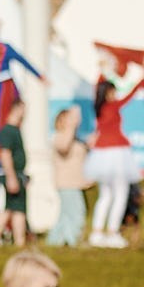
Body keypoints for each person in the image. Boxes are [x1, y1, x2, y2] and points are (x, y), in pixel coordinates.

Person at [88, 59, 144, 247]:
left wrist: (102, 71)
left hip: (103, 155)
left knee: (106, 194)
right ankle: (112, 232)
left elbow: (98, 86)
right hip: (115, 153)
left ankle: (97, 232)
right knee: (120, 193)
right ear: (108, 93)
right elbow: (129, 96)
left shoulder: (99, 109)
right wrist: (142, 79)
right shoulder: (111, 107)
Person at [0, 98, 32, 247]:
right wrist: (11, 177)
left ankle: (19, 241)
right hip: (12, 176)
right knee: (9, 209)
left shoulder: (16, 130)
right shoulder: (8, 131)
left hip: (18, 175)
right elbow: (5, 154)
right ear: (17, 109)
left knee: (17, 209)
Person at [49, 104, 89, 247]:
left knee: (65, 216)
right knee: (76, 213)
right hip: (66, 183)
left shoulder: (76, 139)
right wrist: (71, 125)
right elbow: (64, 147)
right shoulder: (58, 137)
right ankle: (72, 241)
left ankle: (56, 242)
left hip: (75, 183)